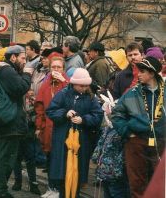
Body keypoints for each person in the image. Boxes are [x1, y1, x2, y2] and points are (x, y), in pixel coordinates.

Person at [112, 57, 165, 198]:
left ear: (152, 73)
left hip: (161, 142)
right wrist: (127, 132)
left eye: (142, 71)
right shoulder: (132, 93)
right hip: (136, 142)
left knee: (159, 183)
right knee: (137, 182)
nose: (138, 74)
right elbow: (116, 115)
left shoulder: (164, 93)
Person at [46, 68, 103, 198]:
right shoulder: (63, 94)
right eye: (81, 85)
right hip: (63, 140)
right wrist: (65, 113)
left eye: (86, 86)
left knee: (77, 172)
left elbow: (98, 115)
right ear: (74, 83)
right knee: (63, 172)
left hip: (81, 141)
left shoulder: (91, 98)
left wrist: (84, 119)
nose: (84, 88)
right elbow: (50, 110)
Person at [0, 44, 31, 198]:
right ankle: (0, 190)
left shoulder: (1, 70)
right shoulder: (8, 71)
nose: (25, 61)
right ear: (13, 57)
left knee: (0, 155)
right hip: (10, 123)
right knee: (6, 157)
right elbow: (20, 88)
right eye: (23, 58)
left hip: (2, 120)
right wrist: (27, 75)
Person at [34, 56, 69, 197]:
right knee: (49, 158)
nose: (55, 70)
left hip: (63, 127)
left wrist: (64, 81)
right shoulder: (46, 84)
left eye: (58, 67)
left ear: (63, 69)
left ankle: (59, 189)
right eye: (53, 67)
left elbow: (72, 98)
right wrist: (39, 126)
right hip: (48, 127)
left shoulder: (67, 83)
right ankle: (51, 187)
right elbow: (39, 108)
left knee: (60, 159)